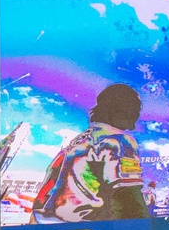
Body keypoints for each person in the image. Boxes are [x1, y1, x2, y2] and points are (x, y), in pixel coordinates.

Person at [29, 83, 147, 222]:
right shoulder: (119, 140)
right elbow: (129, 200)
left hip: (40, 225)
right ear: (124, 110)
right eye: (136, 108)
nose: (137, 114)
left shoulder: (76, 142)